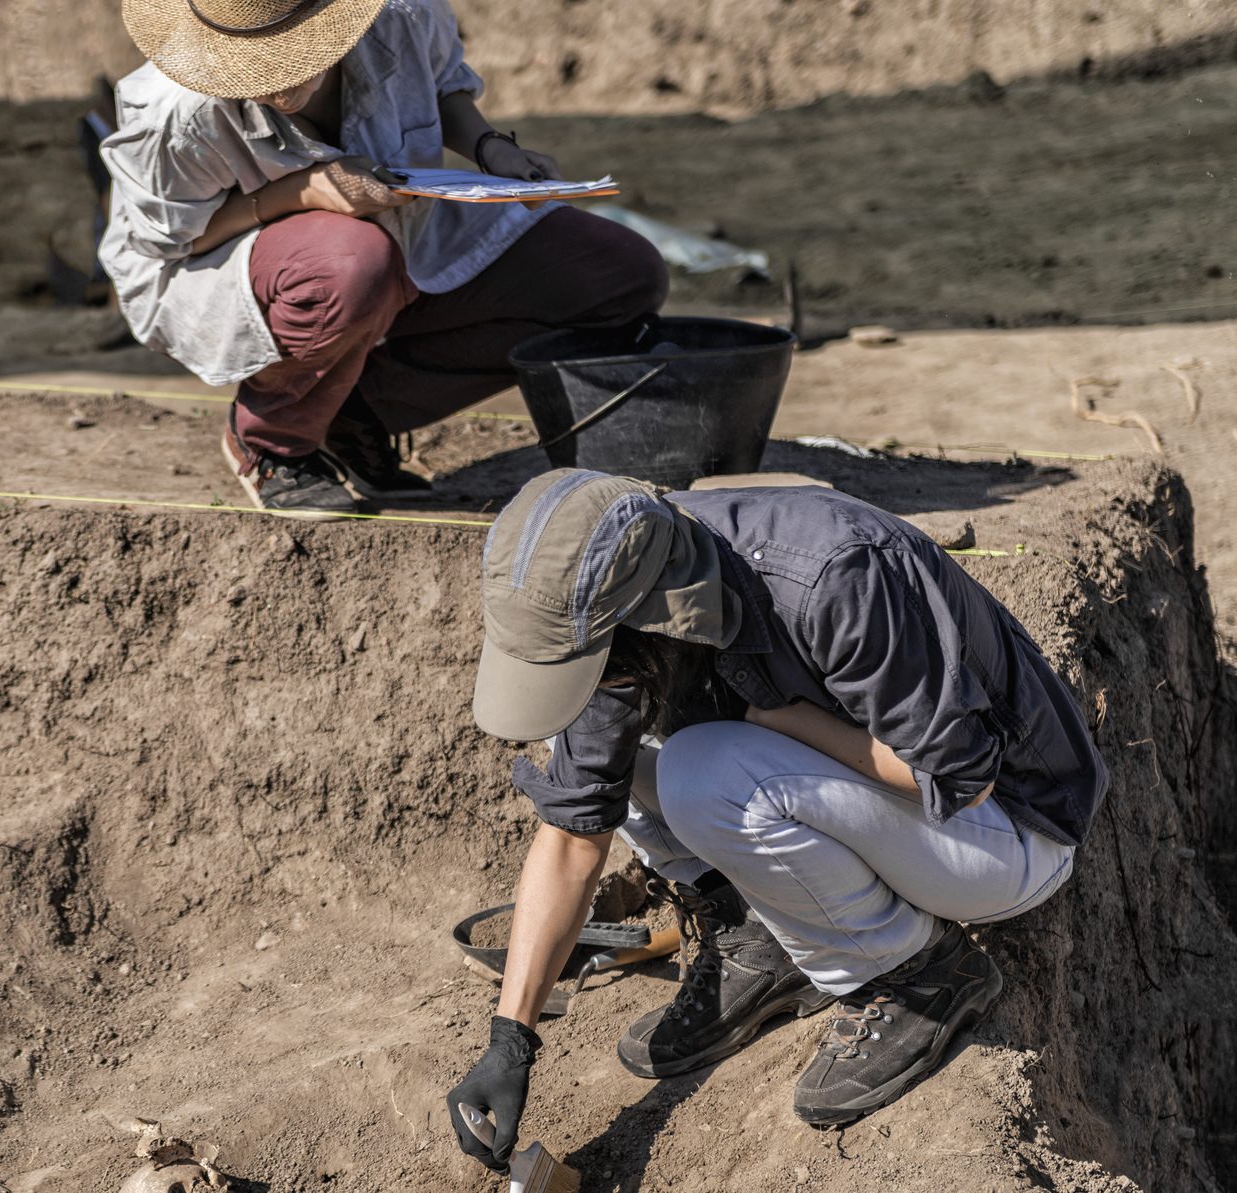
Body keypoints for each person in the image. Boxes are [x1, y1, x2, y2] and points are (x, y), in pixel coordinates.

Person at [445, 470, 1106, 1171]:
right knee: (593, 744)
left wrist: (782, 721)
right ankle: (759, 940)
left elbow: (960, 779)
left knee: (702, 773)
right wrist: (509, 1039)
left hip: (1007, 832)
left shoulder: (831, 578)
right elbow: (575, 831)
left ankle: (913, 975)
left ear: (642, 610)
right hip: (874, 807)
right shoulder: (627, 602)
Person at [101, 0, 668, 518]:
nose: (278, 89)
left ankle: (355, 412)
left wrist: (490, 147)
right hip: (230, 261)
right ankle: (274, 439)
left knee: (616, 276)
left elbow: (441, 87)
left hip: (400, 235)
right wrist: (302, 193)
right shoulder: (176, 110)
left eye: (292, 62)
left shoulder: (401, 17)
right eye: (253, 72)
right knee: (352, 264)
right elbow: (175, 239)